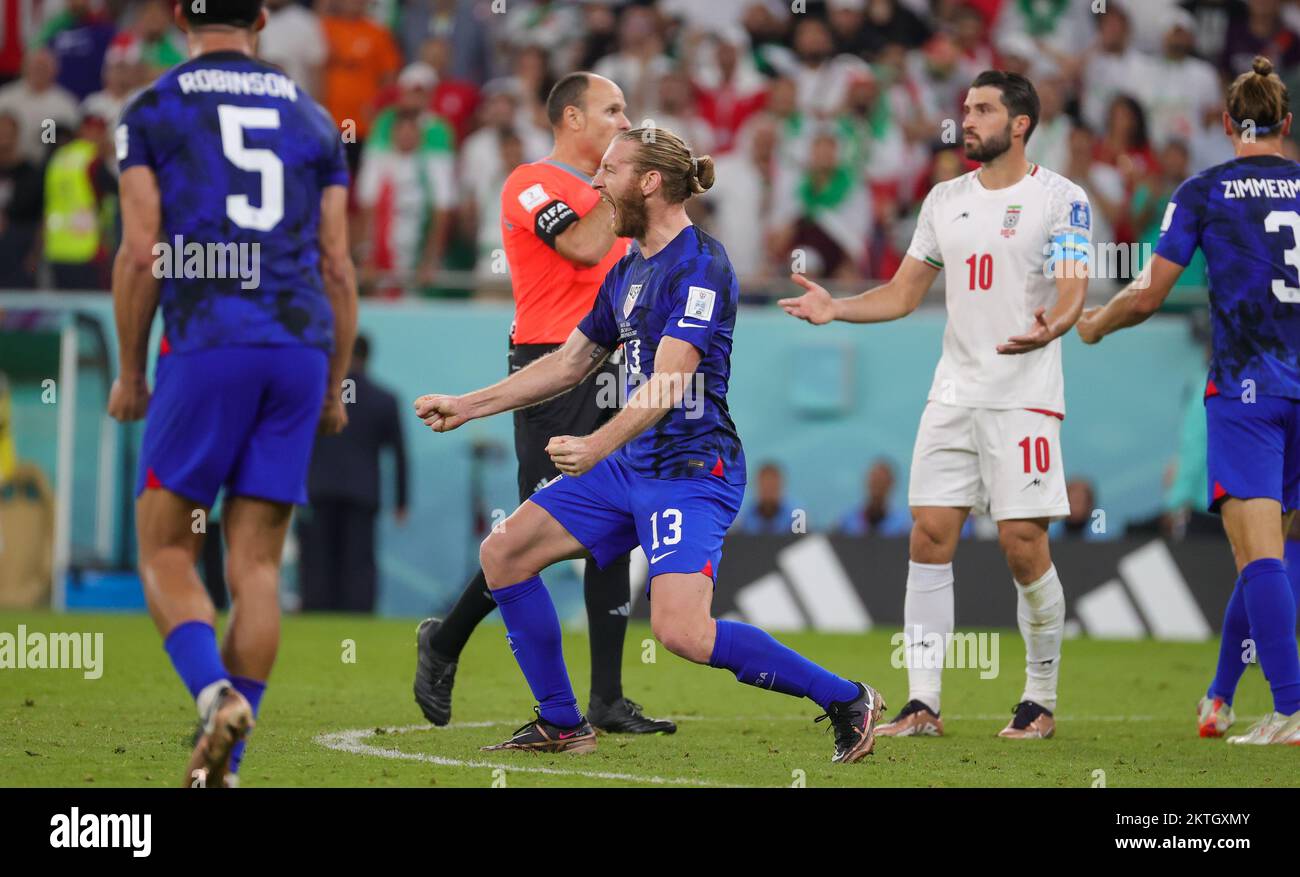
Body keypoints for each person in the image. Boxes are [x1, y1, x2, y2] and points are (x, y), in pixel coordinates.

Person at [414, 127, 885, 762]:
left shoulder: (701, 265)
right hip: (629, 464)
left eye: (609, 171)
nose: (596, 183)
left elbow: (668, 383)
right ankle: (562, 722)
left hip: (691, 470)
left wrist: (594, 444)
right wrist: (468, 405)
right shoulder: (629, 268)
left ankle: (847, 698)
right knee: (504, 553)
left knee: (681, 632)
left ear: (650, 182)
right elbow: (569, 363)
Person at [782, 70, 1091, 740]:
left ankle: (1038, 698)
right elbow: (900, 293)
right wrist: (837, 306)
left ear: (1019, 124)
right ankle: (922, 703)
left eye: (982, 109)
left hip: (1024, 398)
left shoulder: (1062, 199)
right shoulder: (943, 198)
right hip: (952, 393)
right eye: (965, 106)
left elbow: (1073, 286)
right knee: (927, 534)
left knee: (1022, 542)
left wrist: (1055, 324)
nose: (966, 119)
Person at [108, 0, 357, 786]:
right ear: (263, 16)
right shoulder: (314, 117)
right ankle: (225, 767)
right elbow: (339, 265)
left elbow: (144, 252)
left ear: (180, 14)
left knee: (166, 545)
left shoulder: (152, 107)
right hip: (298, 349)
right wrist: (333, 383)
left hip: (209, 340)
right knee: (256, 564)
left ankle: (213, 693)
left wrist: (131, 368)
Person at [412, 73, 674, 736]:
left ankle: (607, 699)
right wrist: (629, 187)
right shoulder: (531, 181)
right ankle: (445, 641)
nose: (625, 118)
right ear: (571, 118)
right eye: (612, 109)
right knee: (533, 535)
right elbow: (582, 245)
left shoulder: (617, 198)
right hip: (550, 371)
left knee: (616, 530)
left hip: (614, 366)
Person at [1077, 56, 1300, 746]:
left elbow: (1148, 294)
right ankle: (1221, 695)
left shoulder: (1204, 190)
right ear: (1286, 125)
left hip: (1245, 391)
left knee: (1259, 553)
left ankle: (1291, 709)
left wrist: (1093, 322)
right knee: (1269, 551)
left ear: (1228, 124)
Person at [299, 334, 408, 613]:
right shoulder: (385, 399)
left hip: (318, 488)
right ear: (368, 357)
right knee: (358, 559)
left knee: (317, 557)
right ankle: (358, 611)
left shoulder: (317, 399)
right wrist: (401, 501)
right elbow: (398, 454)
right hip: (362, 491)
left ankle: (317, 608)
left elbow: (296, 444)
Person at [836, 459, 912, 537]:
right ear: (867, 483)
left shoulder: (903, 525)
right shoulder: (847, 522)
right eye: (874, 481)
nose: (877, 487)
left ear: (890, 484)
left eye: (881, 482)